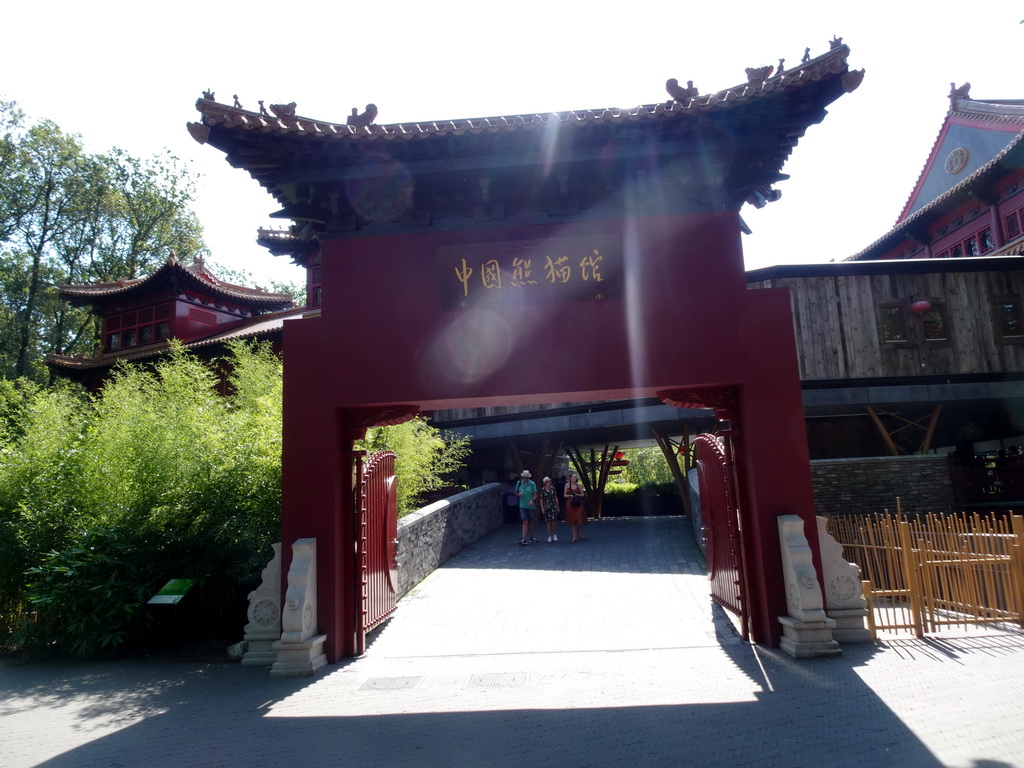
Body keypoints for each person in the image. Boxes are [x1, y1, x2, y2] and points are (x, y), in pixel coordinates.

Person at [515, 469, 538, 546]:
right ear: (522, 477)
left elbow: (535, 495)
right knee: (525, 521)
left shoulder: (532, 484)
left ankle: (532, 536)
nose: (525, 479)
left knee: (532, 521)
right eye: (524, 477)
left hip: (530, 505)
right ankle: (523, 538)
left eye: (527, 478)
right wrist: (519, 495)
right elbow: (516, 493)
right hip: (522, 505)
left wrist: (532, 500)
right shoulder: (519, 483)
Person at [564, 472, 587, 542]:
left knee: (579, 518)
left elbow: (583, 494)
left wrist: (577, 494)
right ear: (570, 478)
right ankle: (574, 536)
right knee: (572, 520)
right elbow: (564, 495)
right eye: (573, 477)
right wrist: (570, 495)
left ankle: (579, 532)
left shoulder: (579, 485)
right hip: (570, 504)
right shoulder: (567, 486)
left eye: (575, 477)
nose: (575, 478)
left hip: (578, 503)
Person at [539, 477, 561, 542]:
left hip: (553, 505)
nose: (549, 483)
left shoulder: (553, 488)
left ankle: (554, 534)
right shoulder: (542, 490)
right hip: (546, 507)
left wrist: (557, 506)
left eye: (550, 482)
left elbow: (555, 497)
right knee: (548, 522)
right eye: (548, 482)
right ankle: (549, 536)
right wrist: (542, 508)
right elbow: (541, 499)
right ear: (545, 483)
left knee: (554, 521)